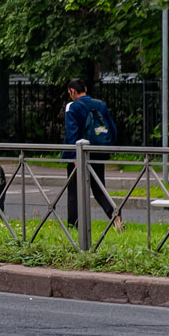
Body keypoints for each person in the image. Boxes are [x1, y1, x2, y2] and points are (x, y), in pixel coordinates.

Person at [63, 78, 122, 230]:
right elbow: (112, 128)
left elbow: (72, 133)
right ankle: (115, 216)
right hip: (97, 152)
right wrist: (109, 148)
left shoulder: (72, 107)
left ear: (72, 91)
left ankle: (73, 226)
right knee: (99, 189)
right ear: (86, 89)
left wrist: (74, 156)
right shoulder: (100, 105)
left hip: (80, 155)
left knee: (74, 192)